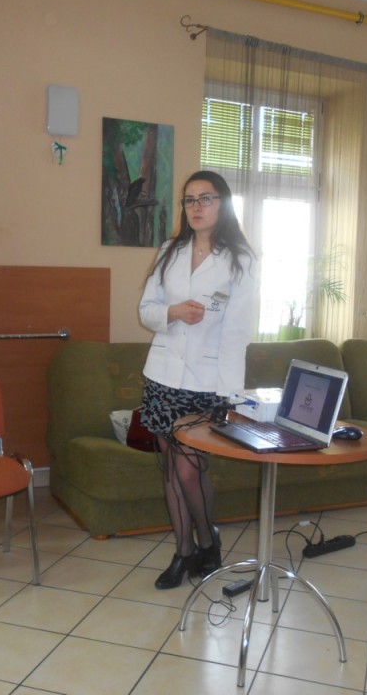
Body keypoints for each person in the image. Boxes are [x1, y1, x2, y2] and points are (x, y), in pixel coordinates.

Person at [138, 170, 257, 589]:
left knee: (190, 469)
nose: (196, 207)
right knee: (170, 470)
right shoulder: (170, 251)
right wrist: (172, 312)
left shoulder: (240, 260)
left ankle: (208, 540)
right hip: (162, 375)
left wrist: (229, 396)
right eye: (189, 200)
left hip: (207, 382)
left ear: (223, 203)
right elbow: (146, 310)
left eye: (205, 198)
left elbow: (237, 333)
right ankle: (183, 551)